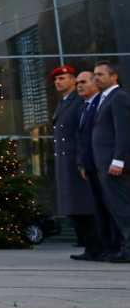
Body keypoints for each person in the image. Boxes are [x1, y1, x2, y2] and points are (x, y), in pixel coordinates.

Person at [50, 66, 100, 260]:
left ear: (72, 80)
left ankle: (95, 246)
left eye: (62, 78)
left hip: (77, 162)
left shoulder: (79, 102)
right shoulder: (63, 103)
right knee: (75, 207)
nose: (58, 82)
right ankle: (89, 246)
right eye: (56, 80)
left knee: (85, 205)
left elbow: (82, 133)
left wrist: (82, 159)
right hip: (67, 162)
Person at [88, 60, 130, 262]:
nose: (96, 78)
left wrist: (118, 160)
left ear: (114, 77)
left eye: (100, 75)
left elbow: (124, 131)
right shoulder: (105, 98)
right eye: (95, 75)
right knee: (115, 207)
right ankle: (123, 247)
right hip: (103, 164)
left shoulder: (118, 97)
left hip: (114, 165)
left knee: (122, 208)